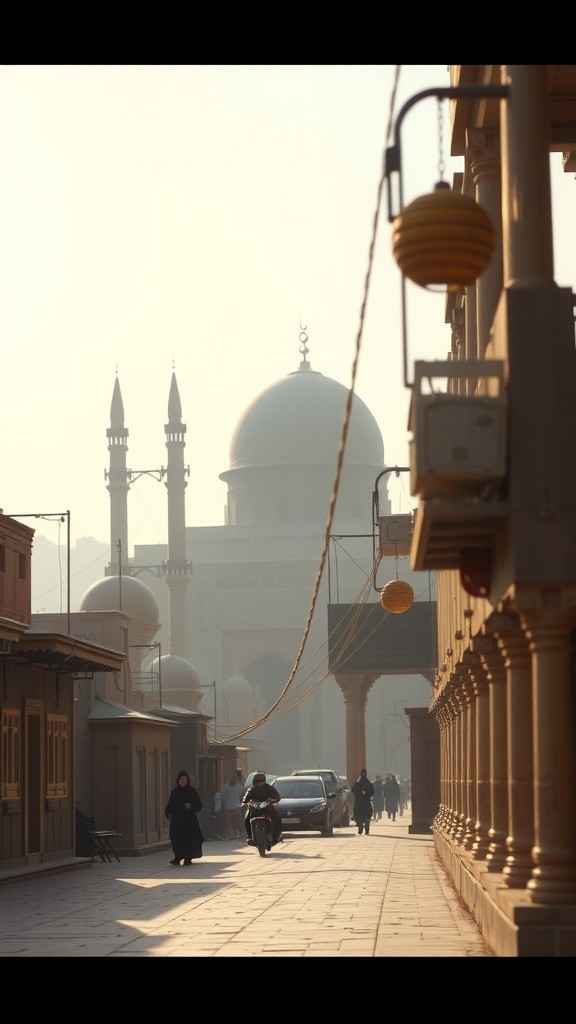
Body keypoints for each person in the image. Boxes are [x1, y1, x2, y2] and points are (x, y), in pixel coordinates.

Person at [164, 770, 204, 865]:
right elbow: (170, 805)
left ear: (188, 781)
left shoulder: (191, 791)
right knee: (176, 839)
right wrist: (168, 813)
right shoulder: (175, 792)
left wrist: (191, 806)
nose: (182, 782)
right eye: (180, 780)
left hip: (189, 821)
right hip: (177, 821)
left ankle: (188, 858)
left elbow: (199, 805)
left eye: (184, 780)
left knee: (188, 839)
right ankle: (177, 857)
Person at [242, 771, 282, 846]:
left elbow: (277, 797)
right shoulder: (251, 789)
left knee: (277, 819)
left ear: (264, 781)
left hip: (267, 807)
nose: (260, 783)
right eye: (258, 781)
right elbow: (245, 799)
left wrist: (272, 800)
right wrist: (246, 803)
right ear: (254, 782)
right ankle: (250, 837)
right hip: (254, 808)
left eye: (262, 781)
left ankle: (275, 837)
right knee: (247, 818)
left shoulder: (270, 788)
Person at [222, 772, 245, 840]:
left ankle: (241, 834)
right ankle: (231, 835)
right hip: (229, 807)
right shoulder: (227, 787)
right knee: (230, 822)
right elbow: (224, 797)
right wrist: (225, 805)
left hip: (237, 806)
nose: (234, 780)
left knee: (239, 821)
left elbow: (242, 795)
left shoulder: (239, 787)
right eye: (233, 779)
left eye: (235, 779)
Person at [352, 769, 375, 835]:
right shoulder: (368, 782)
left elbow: (353, 790)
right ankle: (366, 829)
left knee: (359, 816)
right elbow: (372, 792)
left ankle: (360, 826)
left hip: (358, 802)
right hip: (366, 802)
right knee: (367, 816)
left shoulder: (357, 782)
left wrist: (358, 794)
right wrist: (367, 794)